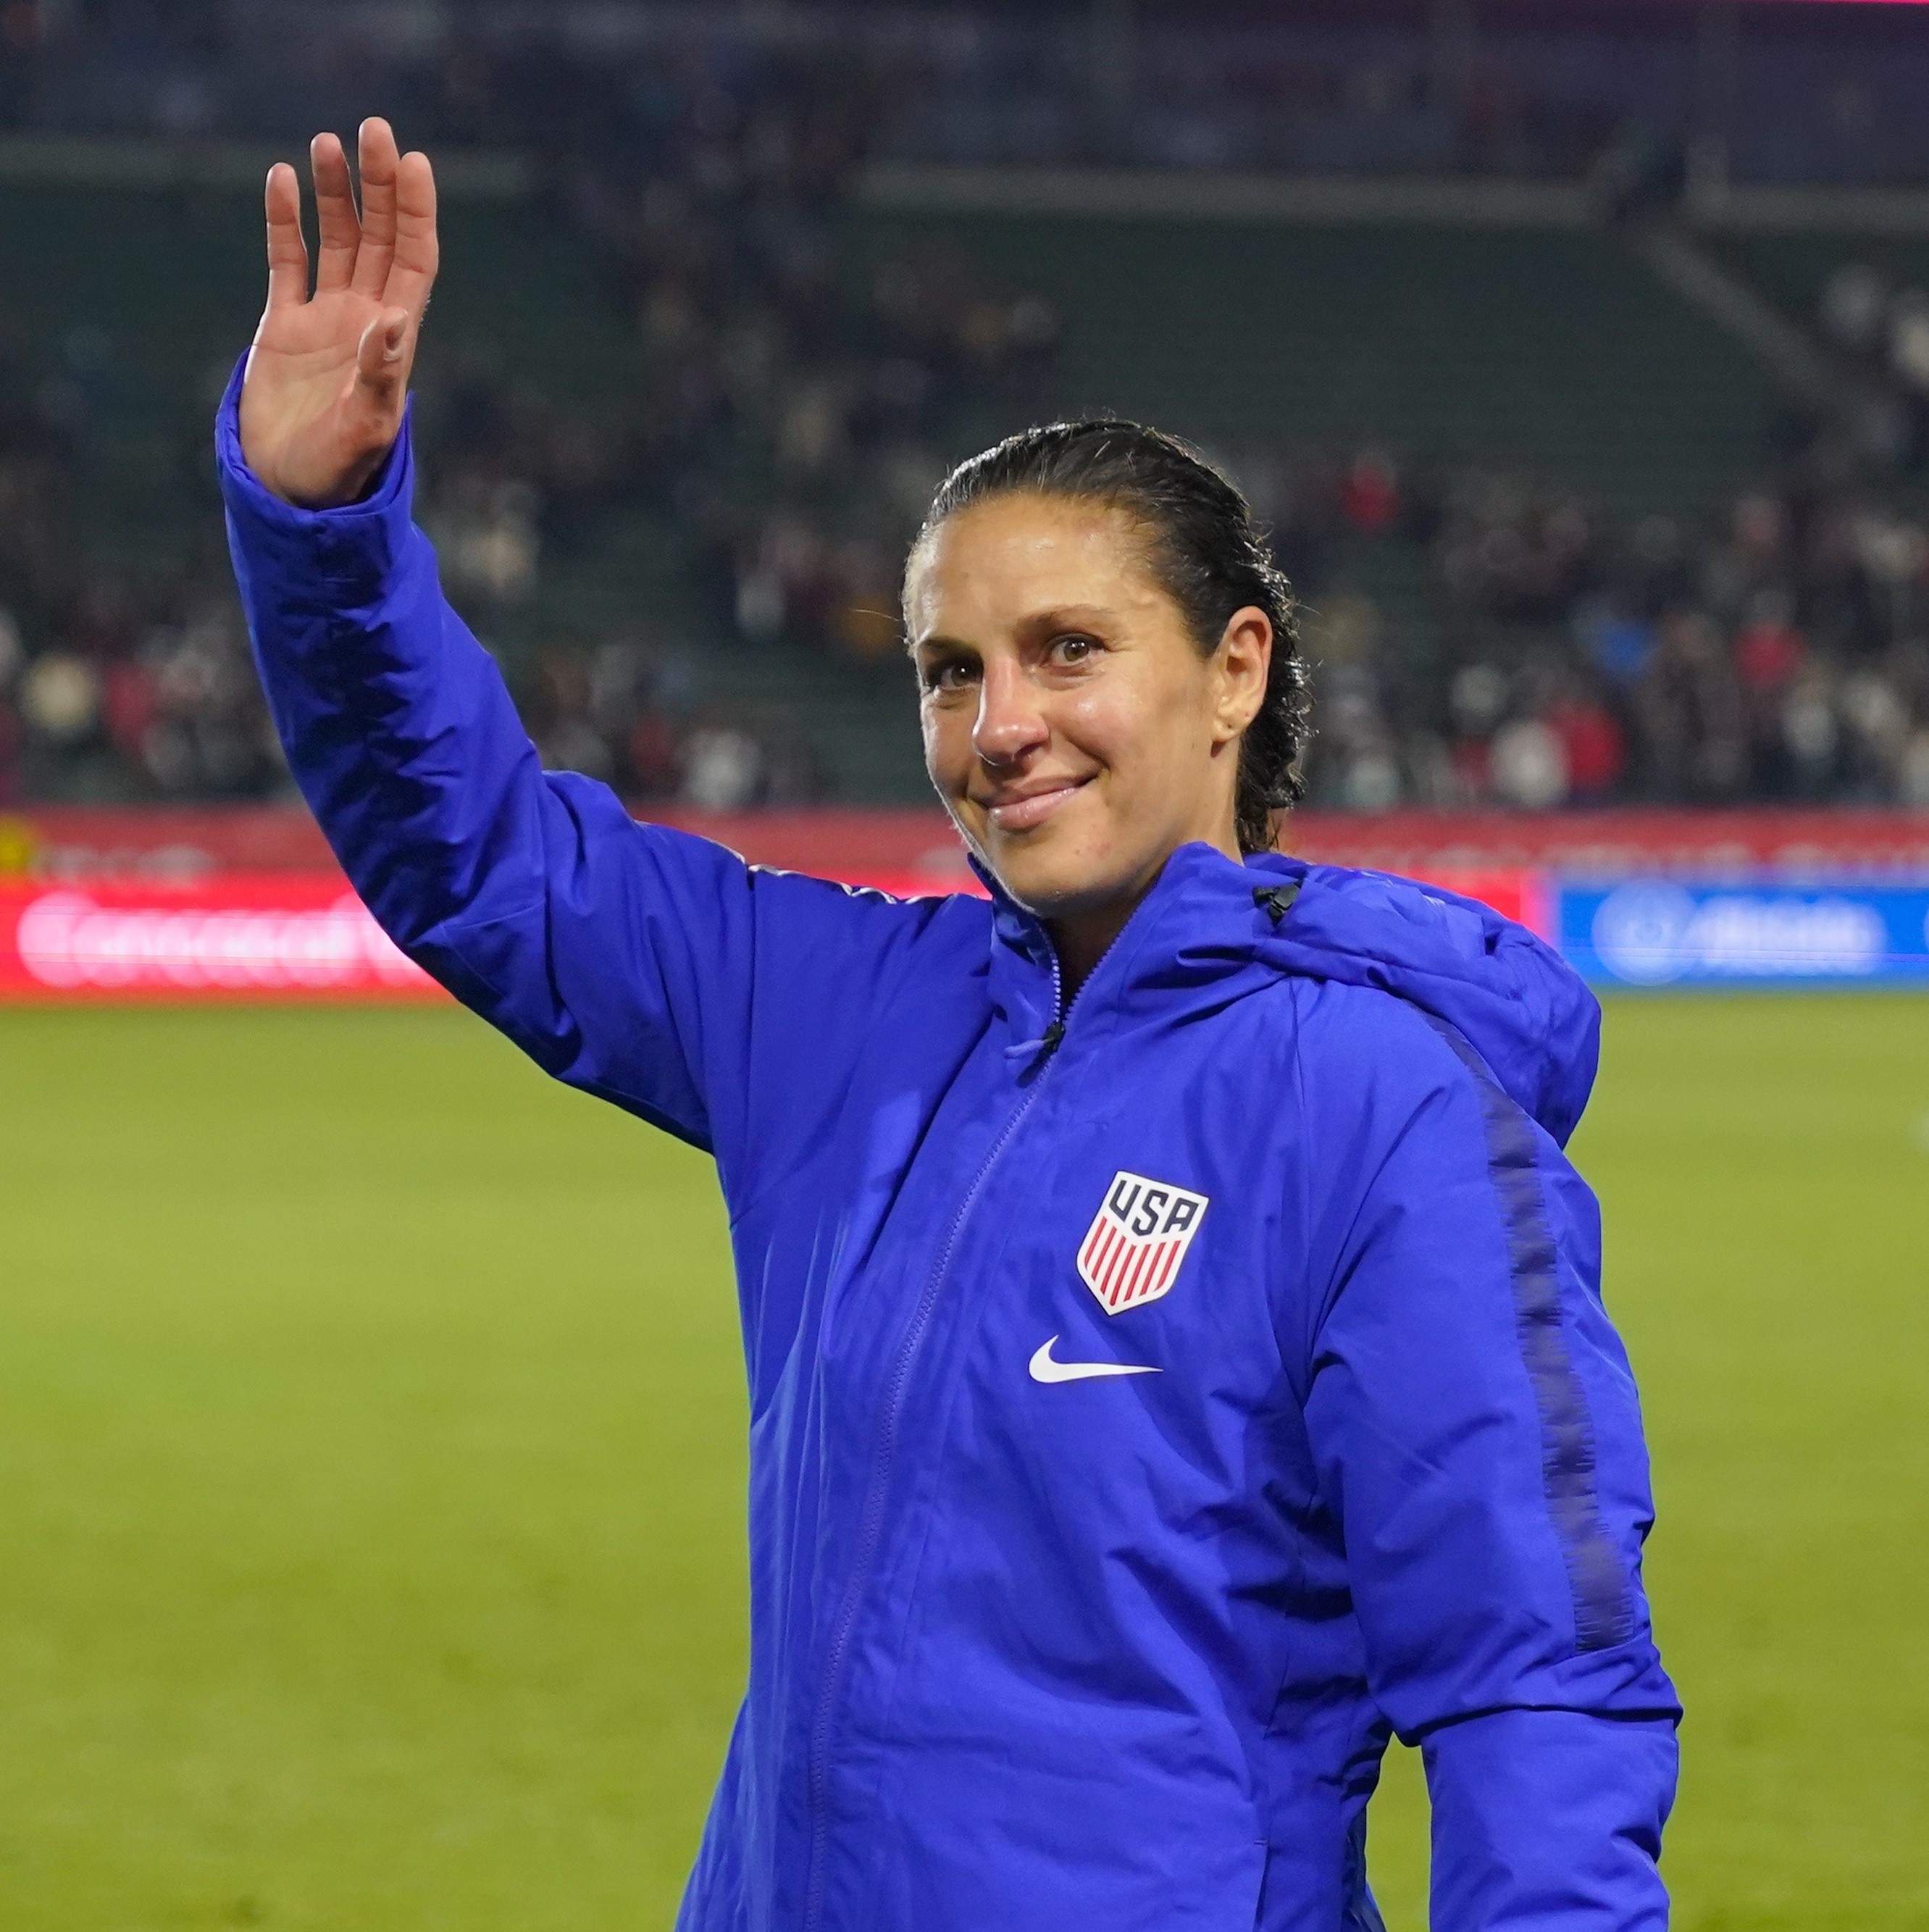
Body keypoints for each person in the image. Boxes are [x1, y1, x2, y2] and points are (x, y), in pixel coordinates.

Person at [221, 120, 1679, 1932]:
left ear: (1235, 671)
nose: (1002, 726)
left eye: (1069, 649)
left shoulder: (1380, 1108)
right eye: (949, 668)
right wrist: (319, 533)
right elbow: (486, 855)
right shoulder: (839, 1009)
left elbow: (1533, 1674)